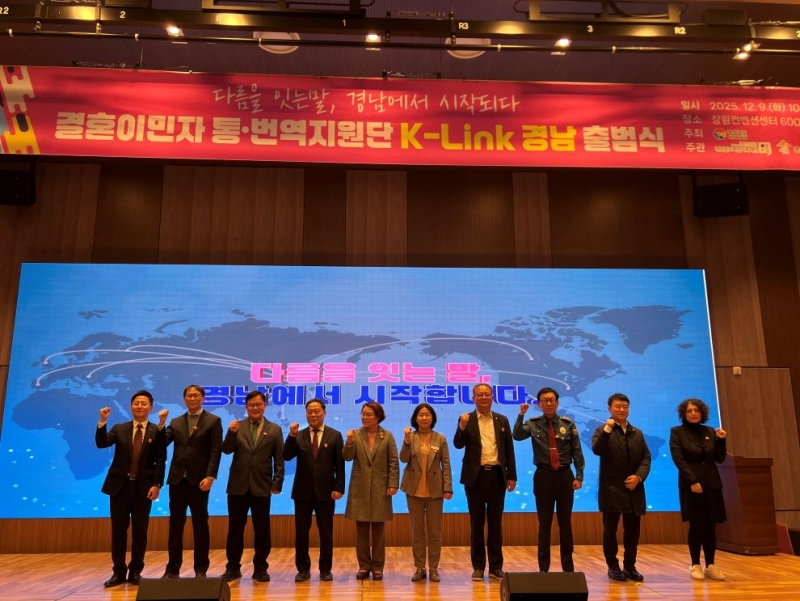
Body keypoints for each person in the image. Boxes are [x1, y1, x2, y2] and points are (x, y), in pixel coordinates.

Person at [95, 390, 166, 587]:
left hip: (143, 488)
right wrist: (102, 421)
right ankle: (118, 572)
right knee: (119, 530)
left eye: (144, 403)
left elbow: (161, 459)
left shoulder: (156, 431)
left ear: (151, 407)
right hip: (120, 487)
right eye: (136, 403)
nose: (139, 406)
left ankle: (135, 572)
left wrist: (157, 484)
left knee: (140, 531)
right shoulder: (120, 428)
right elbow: (102, 443)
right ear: (131, 406)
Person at [513, 386, 584, 573]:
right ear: (539, 404)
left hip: (565, 475)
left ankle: (568, 569)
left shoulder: (568, 424)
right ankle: (543, 569)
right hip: (543, 476)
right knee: (544, 525)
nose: (549, 403)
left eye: (552, 400)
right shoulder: (533, 423)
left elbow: (577, 451)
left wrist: (579, 476)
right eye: (545, 400)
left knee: (565, 524)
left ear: (557, 403)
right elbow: (517, 436)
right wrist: (521, 415)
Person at [157, 384, 223, 578]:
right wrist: (161, 425)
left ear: (203, 398)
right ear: (184, 398)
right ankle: (172, 569)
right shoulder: (176, 422)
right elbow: (161, 444)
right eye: (189, 395)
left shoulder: (213, 421)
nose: (192, 398)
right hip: (177, 480)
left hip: (199, 481)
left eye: (196, 395)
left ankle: (201, 569)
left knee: (200, 525)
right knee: (175, 526)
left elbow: (215, 450)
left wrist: (210, 476)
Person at [453, 383, 517, 582]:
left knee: (496, 524)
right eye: (479, 394)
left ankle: (496, 567)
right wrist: (461, 427)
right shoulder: (467, 419)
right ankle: (478, 567)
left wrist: (512, 476)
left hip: (497, 476)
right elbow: (458, 444)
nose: (483, 397)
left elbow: (509, 450)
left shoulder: (502, 420)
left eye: (487, 394)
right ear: (473, 398)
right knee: (477, 524)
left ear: (492, 397)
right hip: (475, 477)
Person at [220, 390, 284, 583]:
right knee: (235, 529)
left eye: (258, 404)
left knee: (262, 530)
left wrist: (277, 482)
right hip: (237, 486)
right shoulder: (237, 426)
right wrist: (231, 434)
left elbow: (279, 459)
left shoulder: (274, 429)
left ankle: (261, 568)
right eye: (251, 405)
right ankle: (232, 568)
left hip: (262, 486)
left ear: (265, 405)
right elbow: (226, 450)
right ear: (246, 407)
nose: (255, 408)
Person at [590, 392, 651, 582]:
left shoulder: (637, 433)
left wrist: (638, 477)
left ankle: (630, 566)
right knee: (610, 531)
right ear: (610, 409)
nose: (622, 410)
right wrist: (608, 429)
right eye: (618, 406)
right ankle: (613, 566)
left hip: (634, 489)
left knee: (632, 532)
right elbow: (597, 450)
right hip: (612, 489)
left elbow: (646, 458)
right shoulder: (602, 430)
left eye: (625, 406)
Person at [283, 398, 345, 583]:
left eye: (317, 411)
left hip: (326, 492)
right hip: (302, 492)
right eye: (309, 411)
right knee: (301, 532)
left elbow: (339, 465)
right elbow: (286, 456)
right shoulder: (299, 435)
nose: (313, 414)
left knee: (326, 532)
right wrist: (291, 436)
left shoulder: (335, 435)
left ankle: (325, 569)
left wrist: (339, 487)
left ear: (324, 413)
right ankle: (303, 569)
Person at [669, 398, 728, 582]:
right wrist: (692, 481)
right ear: (684, 414)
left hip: (711, 483)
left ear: (702, 413)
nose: (693, 413)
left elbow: (719, 458)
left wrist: (721, 441)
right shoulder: (677, 432)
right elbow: (678, 459)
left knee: (710, 525)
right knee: (696, 525)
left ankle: (711, 565)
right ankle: (695, 564)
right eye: (689, 411)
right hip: (691, 484)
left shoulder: (709, 431)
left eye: (696, 410)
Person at [343, 401, 399, 581]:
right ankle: (364, 566)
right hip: (360, 488)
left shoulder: (387, 436)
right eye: (363, 414)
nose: (365, 417)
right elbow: (347, 457)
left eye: (369, 414)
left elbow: (393, 461)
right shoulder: (355, 434)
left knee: (378, 532)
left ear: (378, 417)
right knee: (361, 532)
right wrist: (349, 443)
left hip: (381, 488)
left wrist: (393, 483)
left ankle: (377, 567)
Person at [400, 403, 454, 583]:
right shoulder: (411, 436)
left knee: (435, 533)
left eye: (427, 415)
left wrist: (448, 487)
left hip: (435, 491)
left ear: (432, 418)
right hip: (414, 490)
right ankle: (419, 567)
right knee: (417, 532)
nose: (424, 418)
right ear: (415, 418)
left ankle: (434, 568)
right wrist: (406, 441)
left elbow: (446, 464)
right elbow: (403, 459)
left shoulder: (440, 438)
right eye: (421, 415)